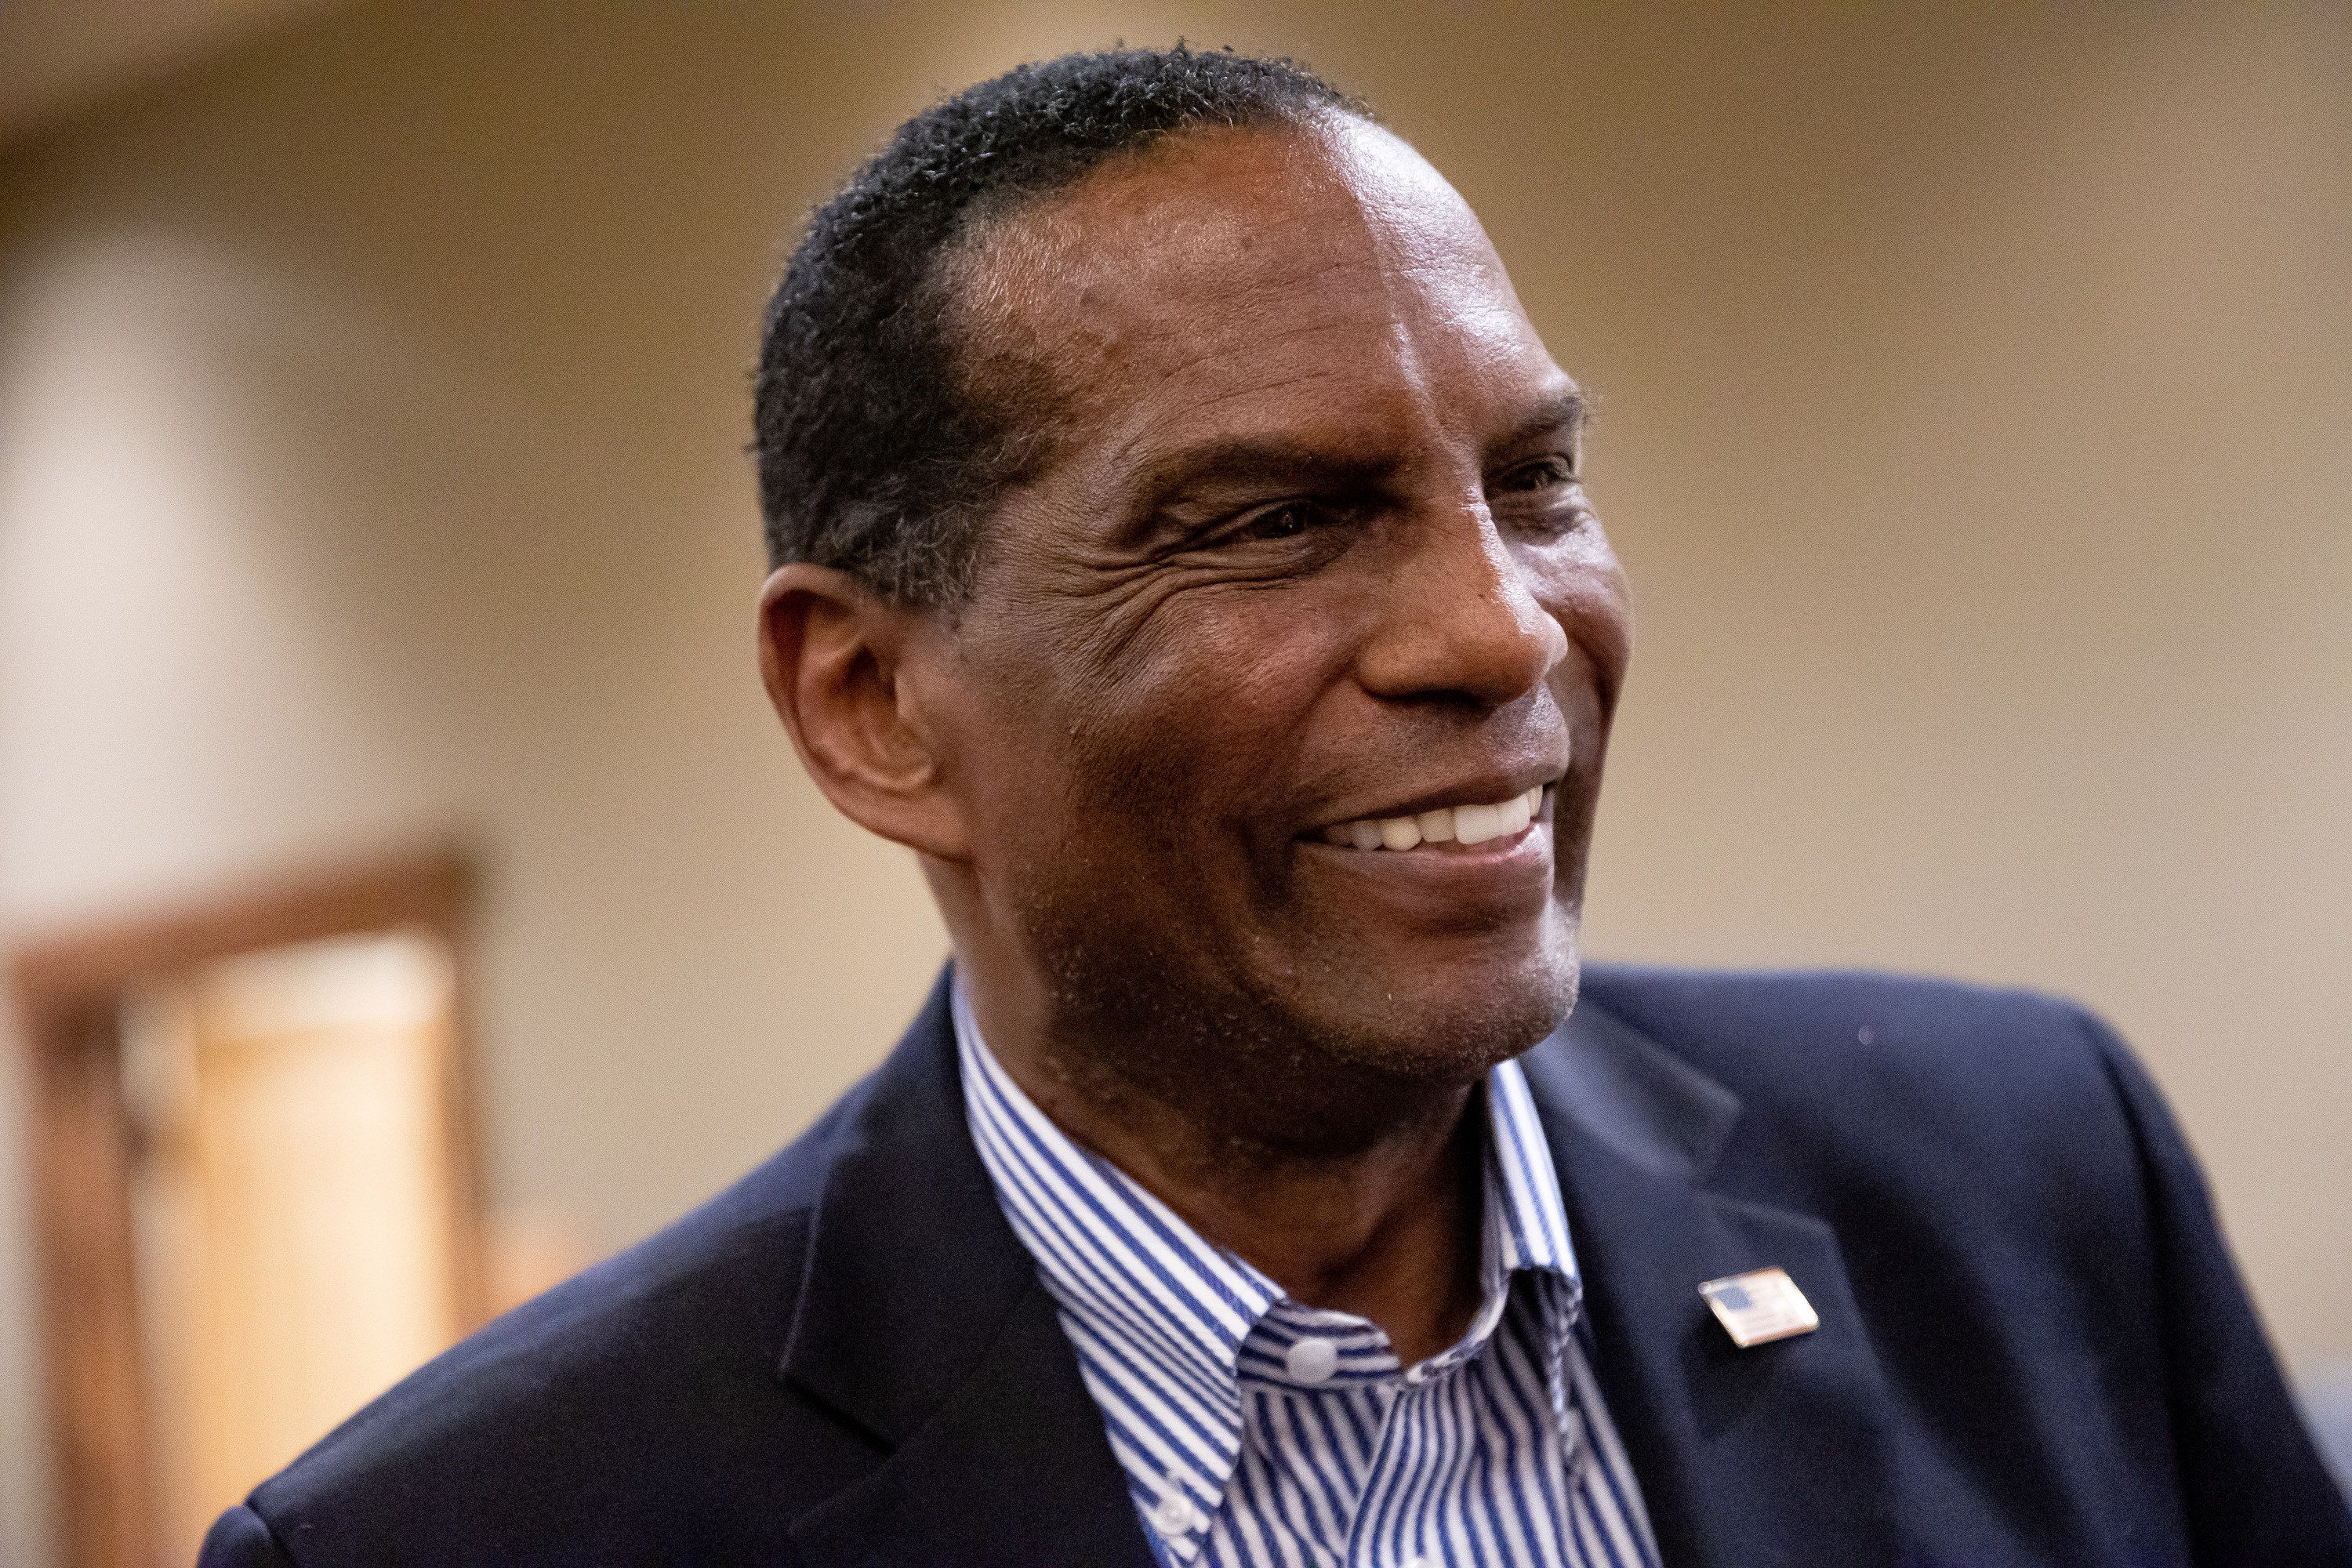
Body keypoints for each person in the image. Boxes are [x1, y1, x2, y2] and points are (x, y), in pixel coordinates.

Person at [201, 46, 2350, 1568]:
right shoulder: (489, 1529)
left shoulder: (2013, 1180)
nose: (1500, 633)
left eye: (1533, 484)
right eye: (1278, 521)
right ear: (871, 704)